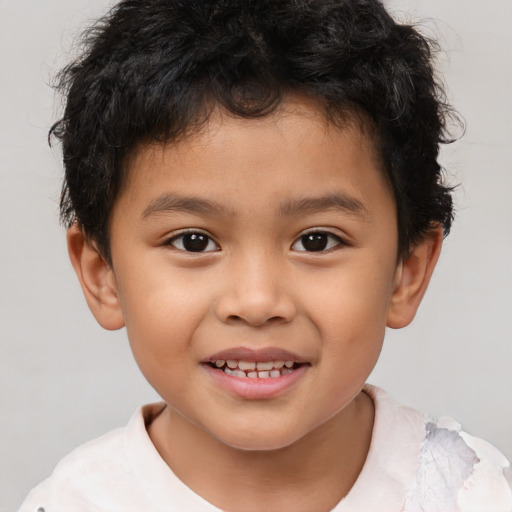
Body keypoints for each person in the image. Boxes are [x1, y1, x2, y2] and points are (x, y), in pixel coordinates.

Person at [18, 0, 512, 510]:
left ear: (406, 271)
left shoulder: (474, 495)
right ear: (103, 275)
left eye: (316, 240)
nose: (256, 302)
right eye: (193, 241)